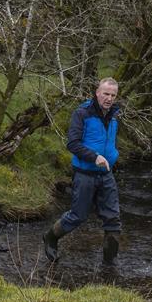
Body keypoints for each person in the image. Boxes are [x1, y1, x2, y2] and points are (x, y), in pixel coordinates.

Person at [43, 77, 121, 265]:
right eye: (105, 94)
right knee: (78, 216)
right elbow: (73, 144)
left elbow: (108, 142)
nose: (109, 98)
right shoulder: (82, 113)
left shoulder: (115, 115)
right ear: (97, 93)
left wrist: (112, 155)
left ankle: (109, 266)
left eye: (113, 95)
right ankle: (50, 237)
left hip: (106, 175)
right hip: (85, 174)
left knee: (113, 220)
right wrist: (95, 157)